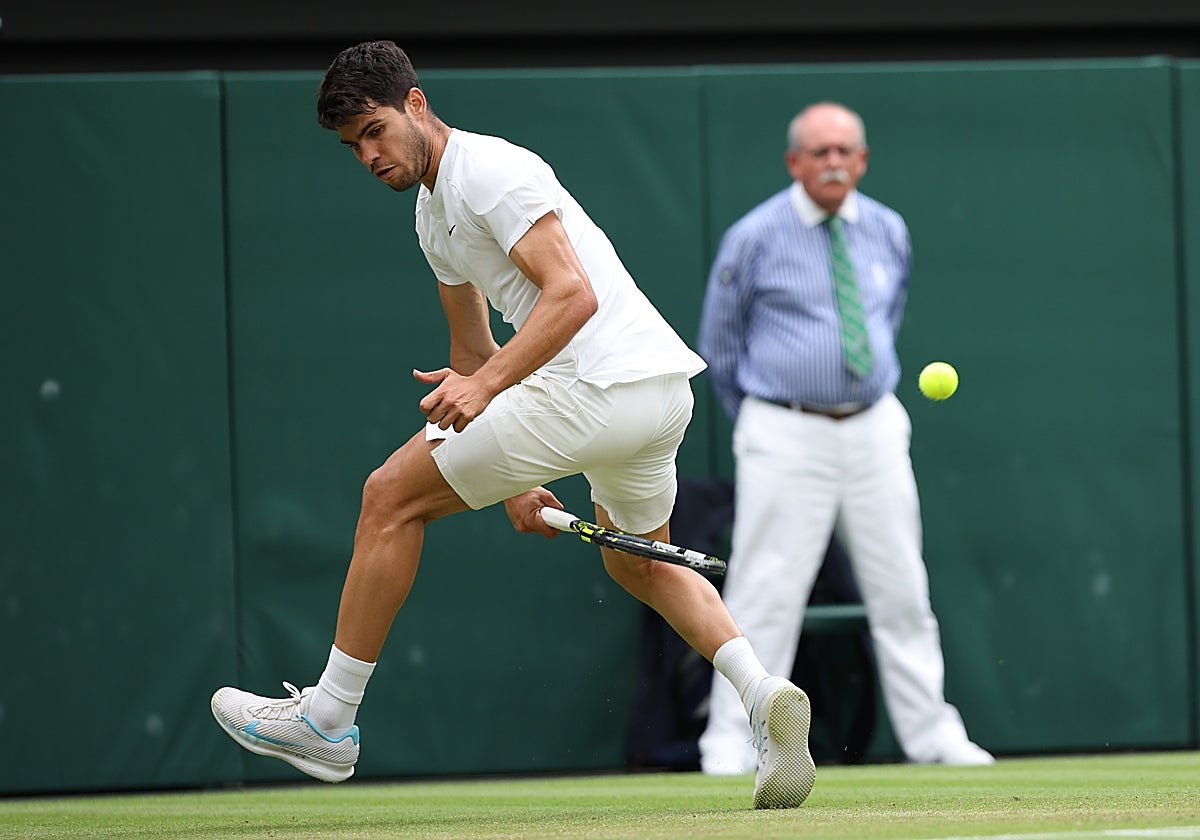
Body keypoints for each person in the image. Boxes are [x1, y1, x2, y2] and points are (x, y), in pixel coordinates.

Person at [209, 40, 816, 809]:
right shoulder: (432, 216)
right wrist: (516, 477)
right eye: (352, 145)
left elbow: (571, 296)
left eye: (375, 131)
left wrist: (487, 388)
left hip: (595, 388)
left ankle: (328, 719)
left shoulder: (490, 171)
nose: (368, 155)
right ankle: (761, 695)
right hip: (654, 397)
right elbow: (471, 352)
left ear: (416, 104)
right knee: (638, 564)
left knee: (389, 497)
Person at [695, 102, 994, 773]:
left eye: (844, 151)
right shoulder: (755, 236)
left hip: (875, 426)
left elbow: (888, 315)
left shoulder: (888, 229)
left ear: (862, 160)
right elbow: (720, 343)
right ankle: (732, 739)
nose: (833, 162)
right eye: (819, 151)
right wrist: (769, 419)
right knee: (765, 591)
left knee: (903, 588)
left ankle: (933, 735)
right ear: (794, 162)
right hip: (783, 428)